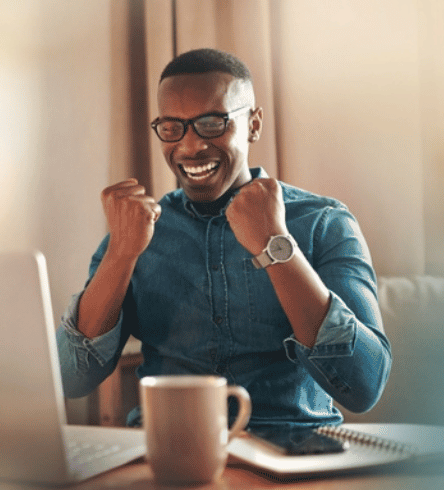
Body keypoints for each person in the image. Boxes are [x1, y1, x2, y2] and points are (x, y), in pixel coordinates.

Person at [55, 48, 391, 428]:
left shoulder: (324, 223)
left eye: (212, 123)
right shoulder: (135, 234)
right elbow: (70, 379)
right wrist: (120, 254)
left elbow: (364, 385)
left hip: (293, 456)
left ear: (253, 124)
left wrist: (275, 246)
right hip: (165, 455)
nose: (190, 145)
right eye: (171, 127)